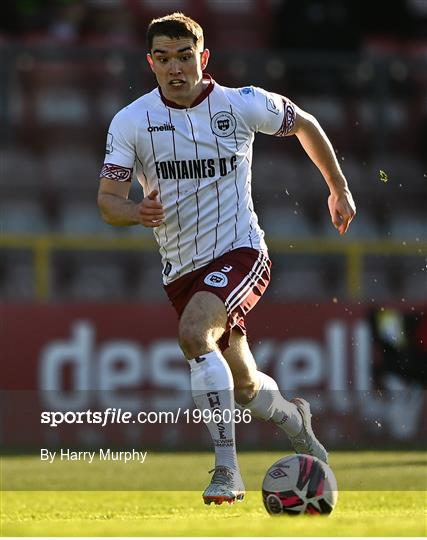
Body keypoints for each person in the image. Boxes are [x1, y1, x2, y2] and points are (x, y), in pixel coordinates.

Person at [97, 12, 356, 505]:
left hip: (241, 251)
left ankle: (226, 471)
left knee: (194, 334)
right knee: (243, 387)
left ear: (204, 57)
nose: (176, 68)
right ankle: (293, 417)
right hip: (182, 270)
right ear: (150, 63)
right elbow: (107, 200)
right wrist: (135, 211)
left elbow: (306, 123)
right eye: (164, 58)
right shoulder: (130, 120)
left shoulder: (240, 104)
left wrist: (338, 187)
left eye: (185, 55)